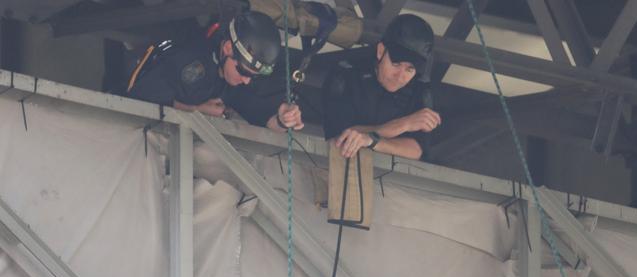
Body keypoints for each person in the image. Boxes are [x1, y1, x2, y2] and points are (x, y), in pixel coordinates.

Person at [126, 11, 303, 133]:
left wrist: (284, 119)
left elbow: (264, 118)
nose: (246, 80)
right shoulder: (190, 58)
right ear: (227, 48)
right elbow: (139, 97)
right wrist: (195, 109)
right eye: (243, 72)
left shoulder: (233, 80)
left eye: (253, 76)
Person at [322, 14, 441, 160]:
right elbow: (342, 137)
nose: (400, 75)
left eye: (410, 69)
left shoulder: (420, 88)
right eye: (396, 64)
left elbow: (417, 150)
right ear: (380, 51)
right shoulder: (347, 75)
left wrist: (372, 141)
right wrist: (404, 124)